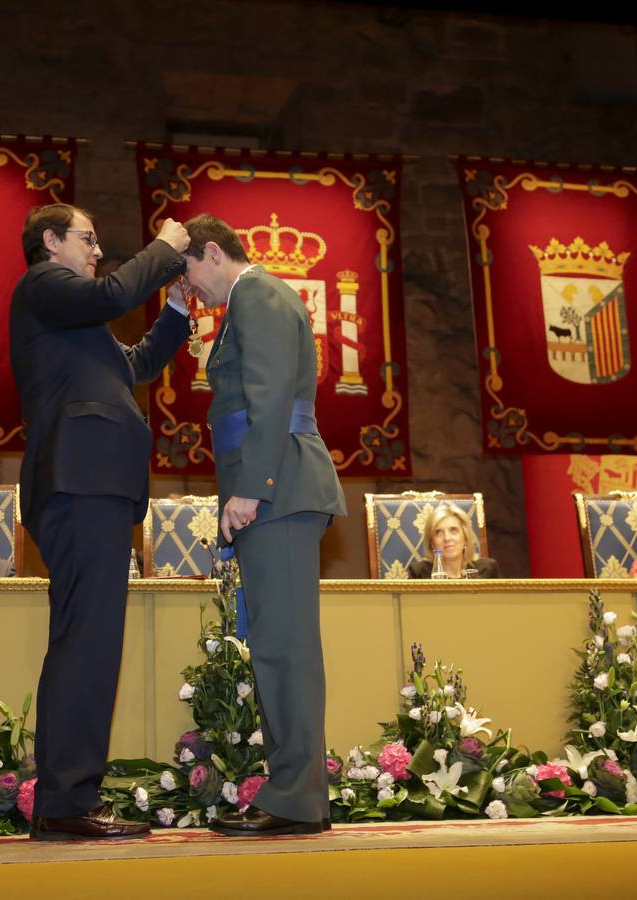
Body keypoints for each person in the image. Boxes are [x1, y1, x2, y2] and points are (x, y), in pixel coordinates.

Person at [10, 203, 190, 840]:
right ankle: (66, 802)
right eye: (88, 239)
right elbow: (114, 293)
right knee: (89, 643)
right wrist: (165, 247)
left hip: (93, 485)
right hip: (80, 483)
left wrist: (177, 312)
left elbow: (134, 365)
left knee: (87, 640)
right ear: (51, 241)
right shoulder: (44, 286)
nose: (96, 250)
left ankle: (65, 799)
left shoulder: (71, 319)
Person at [180, 213, 347, 837]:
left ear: (213, 252)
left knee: (285, 649)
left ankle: (297, 799)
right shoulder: (250, 298)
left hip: (279, 490)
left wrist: (251, 489)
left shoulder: (258, 292)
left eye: (189, 270)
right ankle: (293, 792)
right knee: (276, 645)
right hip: (276, 490)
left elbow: (272, 395)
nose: (190, 287)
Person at [406, 503, 501, 579]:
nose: (447, 538)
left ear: (465, 538)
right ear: (432, 543)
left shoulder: (488, 569)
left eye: (453, 530)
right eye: (439, 533)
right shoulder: (418, 574)